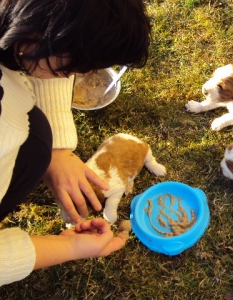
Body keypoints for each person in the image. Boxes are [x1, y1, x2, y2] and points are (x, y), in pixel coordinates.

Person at [0, 0, 151, 286]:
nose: (77, 76)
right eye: (73, 68)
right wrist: (68, 247)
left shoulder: (27, 28)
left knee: (40, 142)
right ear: (33, 33)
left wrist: (58, 151)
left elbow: (49, 47)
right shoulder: (4, 125)